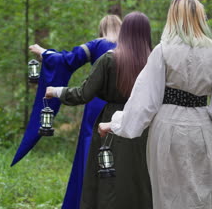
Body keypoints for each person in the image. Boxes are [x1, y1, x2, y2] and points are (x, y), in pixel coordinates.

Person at [99, 0, 212, 209]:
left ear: (173, 17)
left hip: (167, 128)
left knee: (167, 193)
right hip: (202, 127)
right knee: (201, 192)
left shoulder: (163, 50)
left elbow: (146, 100)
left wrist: (116, 123)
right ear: (200, 18)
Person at [10, 15, 121, 209]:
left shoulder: (97, 45)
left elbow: (67, 60)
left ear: (101, 29)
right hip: (124, 107)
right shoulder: (134, 47)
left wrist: (44, 53)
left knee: (90, 153)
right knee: (119, 156)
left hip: (96, 104)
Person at [45, 12, 153, 209]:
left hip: (110, 123)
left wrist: (56, 91)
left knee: (108, 178)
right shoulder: (155, 62)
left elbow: (83, 94)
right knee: (140, 177)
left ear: (124, 32)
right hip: (145, 124)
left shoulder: (109, 60)